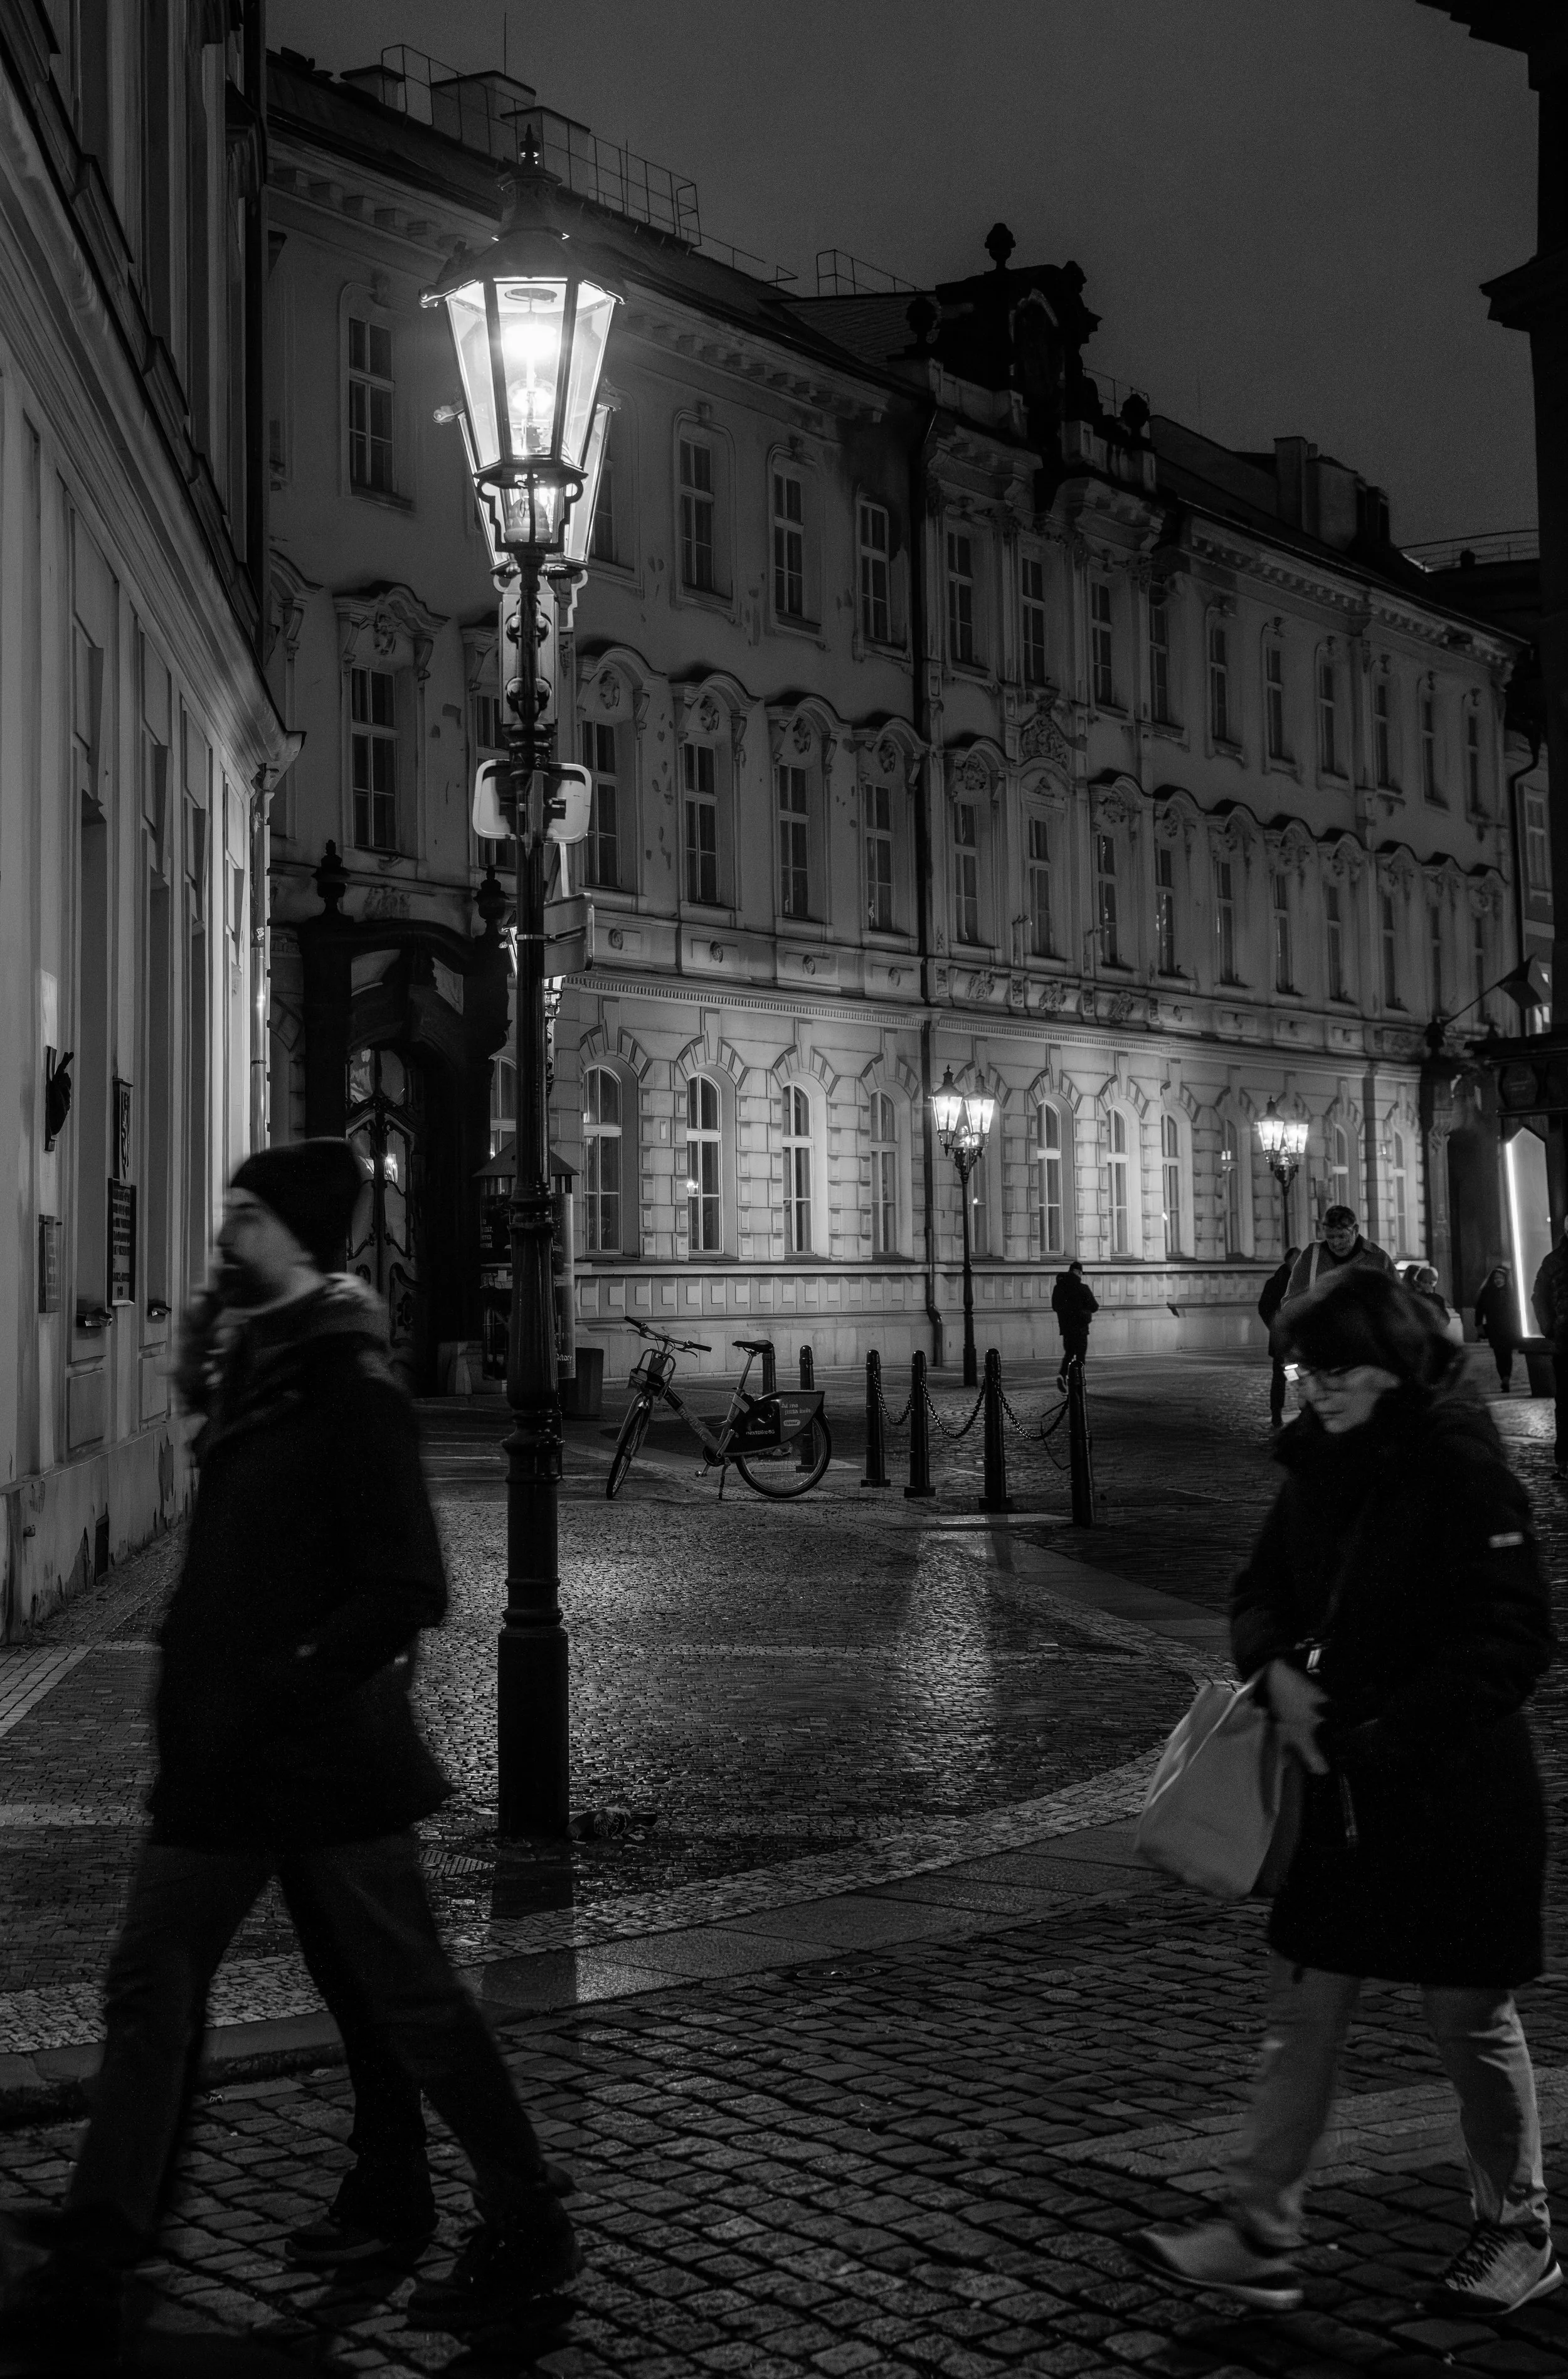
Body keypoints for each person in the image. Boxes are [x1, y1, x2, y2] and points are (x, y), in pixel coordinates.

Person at [0, 1141, 580, 2363]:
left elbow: (406, 1584)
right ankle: (105, 2242)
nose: (227, 1234)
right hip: (221, 1769)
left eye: (249, 1218)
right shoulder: (263, 1373)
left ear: (303, 1240)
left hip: (321, 1766)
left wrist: (289, 1683)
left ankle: (526, 2220)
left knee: (416, 2004)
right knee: (149, 1989)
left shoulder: (348, 1389)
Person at [1133, 1267, 1557, 2318]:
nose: (1313, 1388)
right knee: (1304, 2010)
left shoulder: (1464, 1470)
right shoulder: (1318, 1463)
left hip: (1456, 1791)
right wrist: (1273, 1663)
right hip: (1338, 1793)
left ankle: (1518, 2228)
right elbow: (1258, 1591)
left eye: (1334, 1369)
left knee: (1470, 2020)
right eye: (1303, 1368)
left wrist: (1387, 1730)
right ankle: (1260, 2228)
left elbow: (1511, 1640)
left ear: (1392, 1366)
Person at [1282, 1204, 1395, 1304]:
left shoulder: (1378, 1259)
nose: (1336, 1243)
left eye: (1342, 1236)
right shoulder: (1311, 1257)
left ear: (1355, 1230)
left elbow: (1398, 1305)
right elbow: (1289, 1303)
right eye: (1330, 1237)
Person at [1530, 1232, 1568, 1476]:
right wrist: (1551, 1329)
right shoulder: (1554, 1261)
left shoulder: (1553, 1261)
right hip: (1566, 1340)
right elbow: (1540, 1298)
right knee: (1565, 1401)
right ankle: (1564, 1459)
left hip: (1564, 1338)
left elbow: (1539, 1297)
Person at [1257, 1247, 1301, 1428]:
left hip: (1298, 1342)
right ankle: (1277, 1412)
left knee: (1298, 1377)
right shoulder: (1276, 1283)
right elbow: (1264, 1308)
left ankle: (1303, 1411)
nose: (1299, 1263)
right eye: (1296, 1259)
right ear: (1289, 1261)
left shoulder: (1302, 1282)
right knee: (1284, 1376)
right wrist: (1276, 1328)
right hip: (1283, 1342)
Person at [1475, 1262, 1522, 1394]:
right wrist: (1479, 1325)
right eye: (1496, 1278)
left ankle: (1506, 1378)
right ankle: (1504, 1377)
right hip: (1495, 1329)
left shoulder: (1511, 1293)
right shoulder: (1487, 1292)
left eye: (1500, 1278)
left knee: (1506, 1355)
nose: (1498, 1280)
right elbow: (1479, 1310)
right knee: (1499, 1355)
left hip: (1508, 1329)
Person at [1051, 1260, 1098, 1386]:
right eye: (1081, 1273)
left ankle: (1062, 1374)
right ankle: (1078, 1382)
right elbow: (1094, 1306)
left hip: (1066, 1328)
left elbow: (1055, 1306)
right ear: (1077, 1272)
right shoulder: (1082, 1288)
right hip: (1081, 1327)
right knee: (1081, 1356)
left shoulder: (1059, 1288)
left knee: (1069, 1353)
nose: (1081, 1276)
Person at [1410, 1264, 1466, 1347]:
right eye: (1425, 1282)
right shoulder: (1417, 1298)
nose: (1427, 1285)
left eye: (1430, 1283)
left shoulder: (1435, 1298)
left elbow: (1445, 1318)